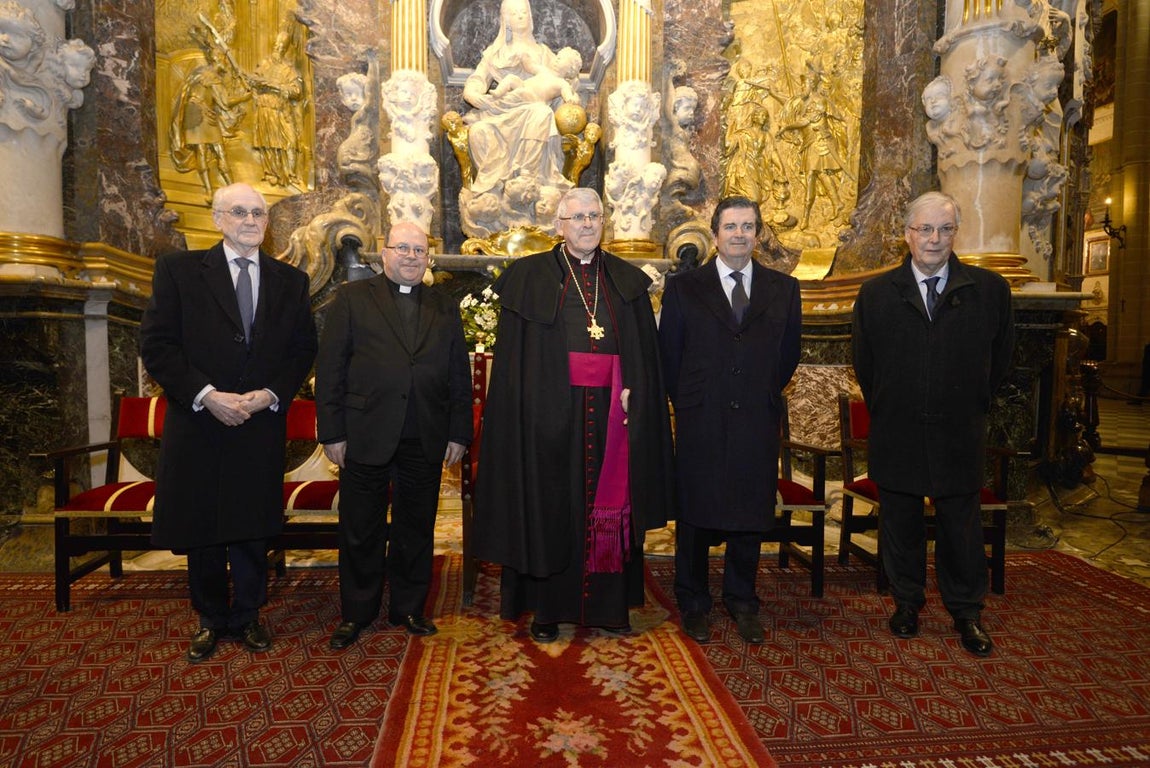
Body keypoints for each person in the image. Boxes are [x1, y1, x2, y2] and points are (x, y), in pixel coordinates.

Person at [474, 187, 675, 642]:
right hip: (548, 417)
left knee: (613, 502)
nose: (587, 224)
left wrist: (636, 392)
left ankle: (611, 606)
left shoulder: (626, 281)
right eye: (578, 217)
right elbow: (514, 366)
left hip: (612, 415)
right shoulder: (528, 277)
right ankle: (547, 609)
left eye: (595, 216)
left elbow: (646, 355)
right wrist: (534, 405)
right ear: (559, 225)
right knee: (550, 505)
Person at [140, 183, 317, 663]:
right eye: (239, 212)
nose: (250, 220)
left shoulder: (290, 281)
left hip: (258, 421)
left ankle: (249, 615)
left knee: (250, 522)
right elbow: (158, 346)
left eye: (258, 213)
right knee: (202, 524)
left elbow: (303, 349)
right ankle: (210, 617)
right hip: (199, 419)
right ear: (218, 218)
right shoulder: (179, 272)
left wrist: (271, 394)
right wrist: (206, 395)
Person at [851, 191, 1015, 657]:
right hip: (898, 428)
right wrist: (888, 401)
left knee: (960, 527)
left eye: (944, 229)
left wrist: (969, 402)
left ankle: (967, 612)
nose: (934, 239)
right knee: (900, 524)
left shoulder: (988, 291)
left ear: (955, 234)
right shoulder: (877, 293)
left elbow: (1000, 360)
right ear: (907, 234)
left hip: (958, 431)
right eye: (925, 229)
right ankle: (906, 603)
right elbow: (865, 362)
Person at [315, 222, 472, 648]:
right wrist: (332, 431)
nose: (410, 256)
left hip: (425, 434)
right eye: (401, 248)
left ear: (428, 259)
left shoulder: (444, 306)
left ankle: (408, 607)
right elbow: (331, 370)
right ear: (383, 254)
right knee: (360, 528)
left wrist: (459, 431)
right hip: (364, 434)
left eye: (418, 250)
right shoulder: (352, 299)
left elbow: (459, 373)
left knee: (416, 527)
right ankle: (357, 612)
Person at [657, 196, 802, 645]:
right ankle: (693, 601)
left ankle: (742, 599)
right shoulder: (684, 288)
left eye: (748, 226)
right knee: (696, 513)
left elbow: (787, 355)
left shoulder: (783, 288)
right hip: (703, 416)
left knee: (749, 512)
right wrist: (692, 401)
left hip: (756, 418)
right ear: (715, 233)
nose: (740, 234)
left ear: (757, 234)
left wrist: (754, 391)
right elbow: (670, 354)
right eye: (731, 226)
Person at [462, 0, 571, 198]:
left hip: (534, 109)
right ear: (506, 20)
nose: (521, 16)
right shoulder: (495, 54)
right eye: (515, 13)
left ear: (531, 17)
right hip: (501, 109)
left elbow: (561, 83)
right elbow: (477, 80)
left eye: (524, 12)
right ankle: (493, 191)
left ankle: (527, 177)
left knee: (542, 112)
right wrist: (474, 95)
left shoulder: (544, 54)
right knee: (478, 130)